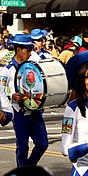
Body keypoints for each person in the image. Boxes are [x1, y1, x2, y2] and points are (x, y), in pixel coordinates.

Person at [0, 34, 48, 167]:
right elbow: (1, 91)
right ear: (18, 50)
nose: (30, 53)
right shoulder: (7, 70)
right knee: (22, 148)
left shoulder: (33, 68)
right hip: (19, 113)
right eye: (27, 50)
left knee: (43, 144)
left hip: (35, 111)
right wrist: (11, 97)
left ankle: (28, 167)